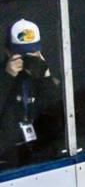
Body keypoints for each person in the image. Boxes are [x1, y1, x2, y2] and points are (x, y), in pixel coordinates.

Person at [3, 19, 62, 168]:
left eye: (32, 53)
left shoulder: (43, 74)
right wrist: (6, 78)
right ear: (8, 52)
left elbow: (58, 120)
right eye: (23, 55)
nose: (28, 59)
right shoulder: (3, 76)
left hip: (42, 153)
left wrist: (46, 78)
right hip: (7, 156)